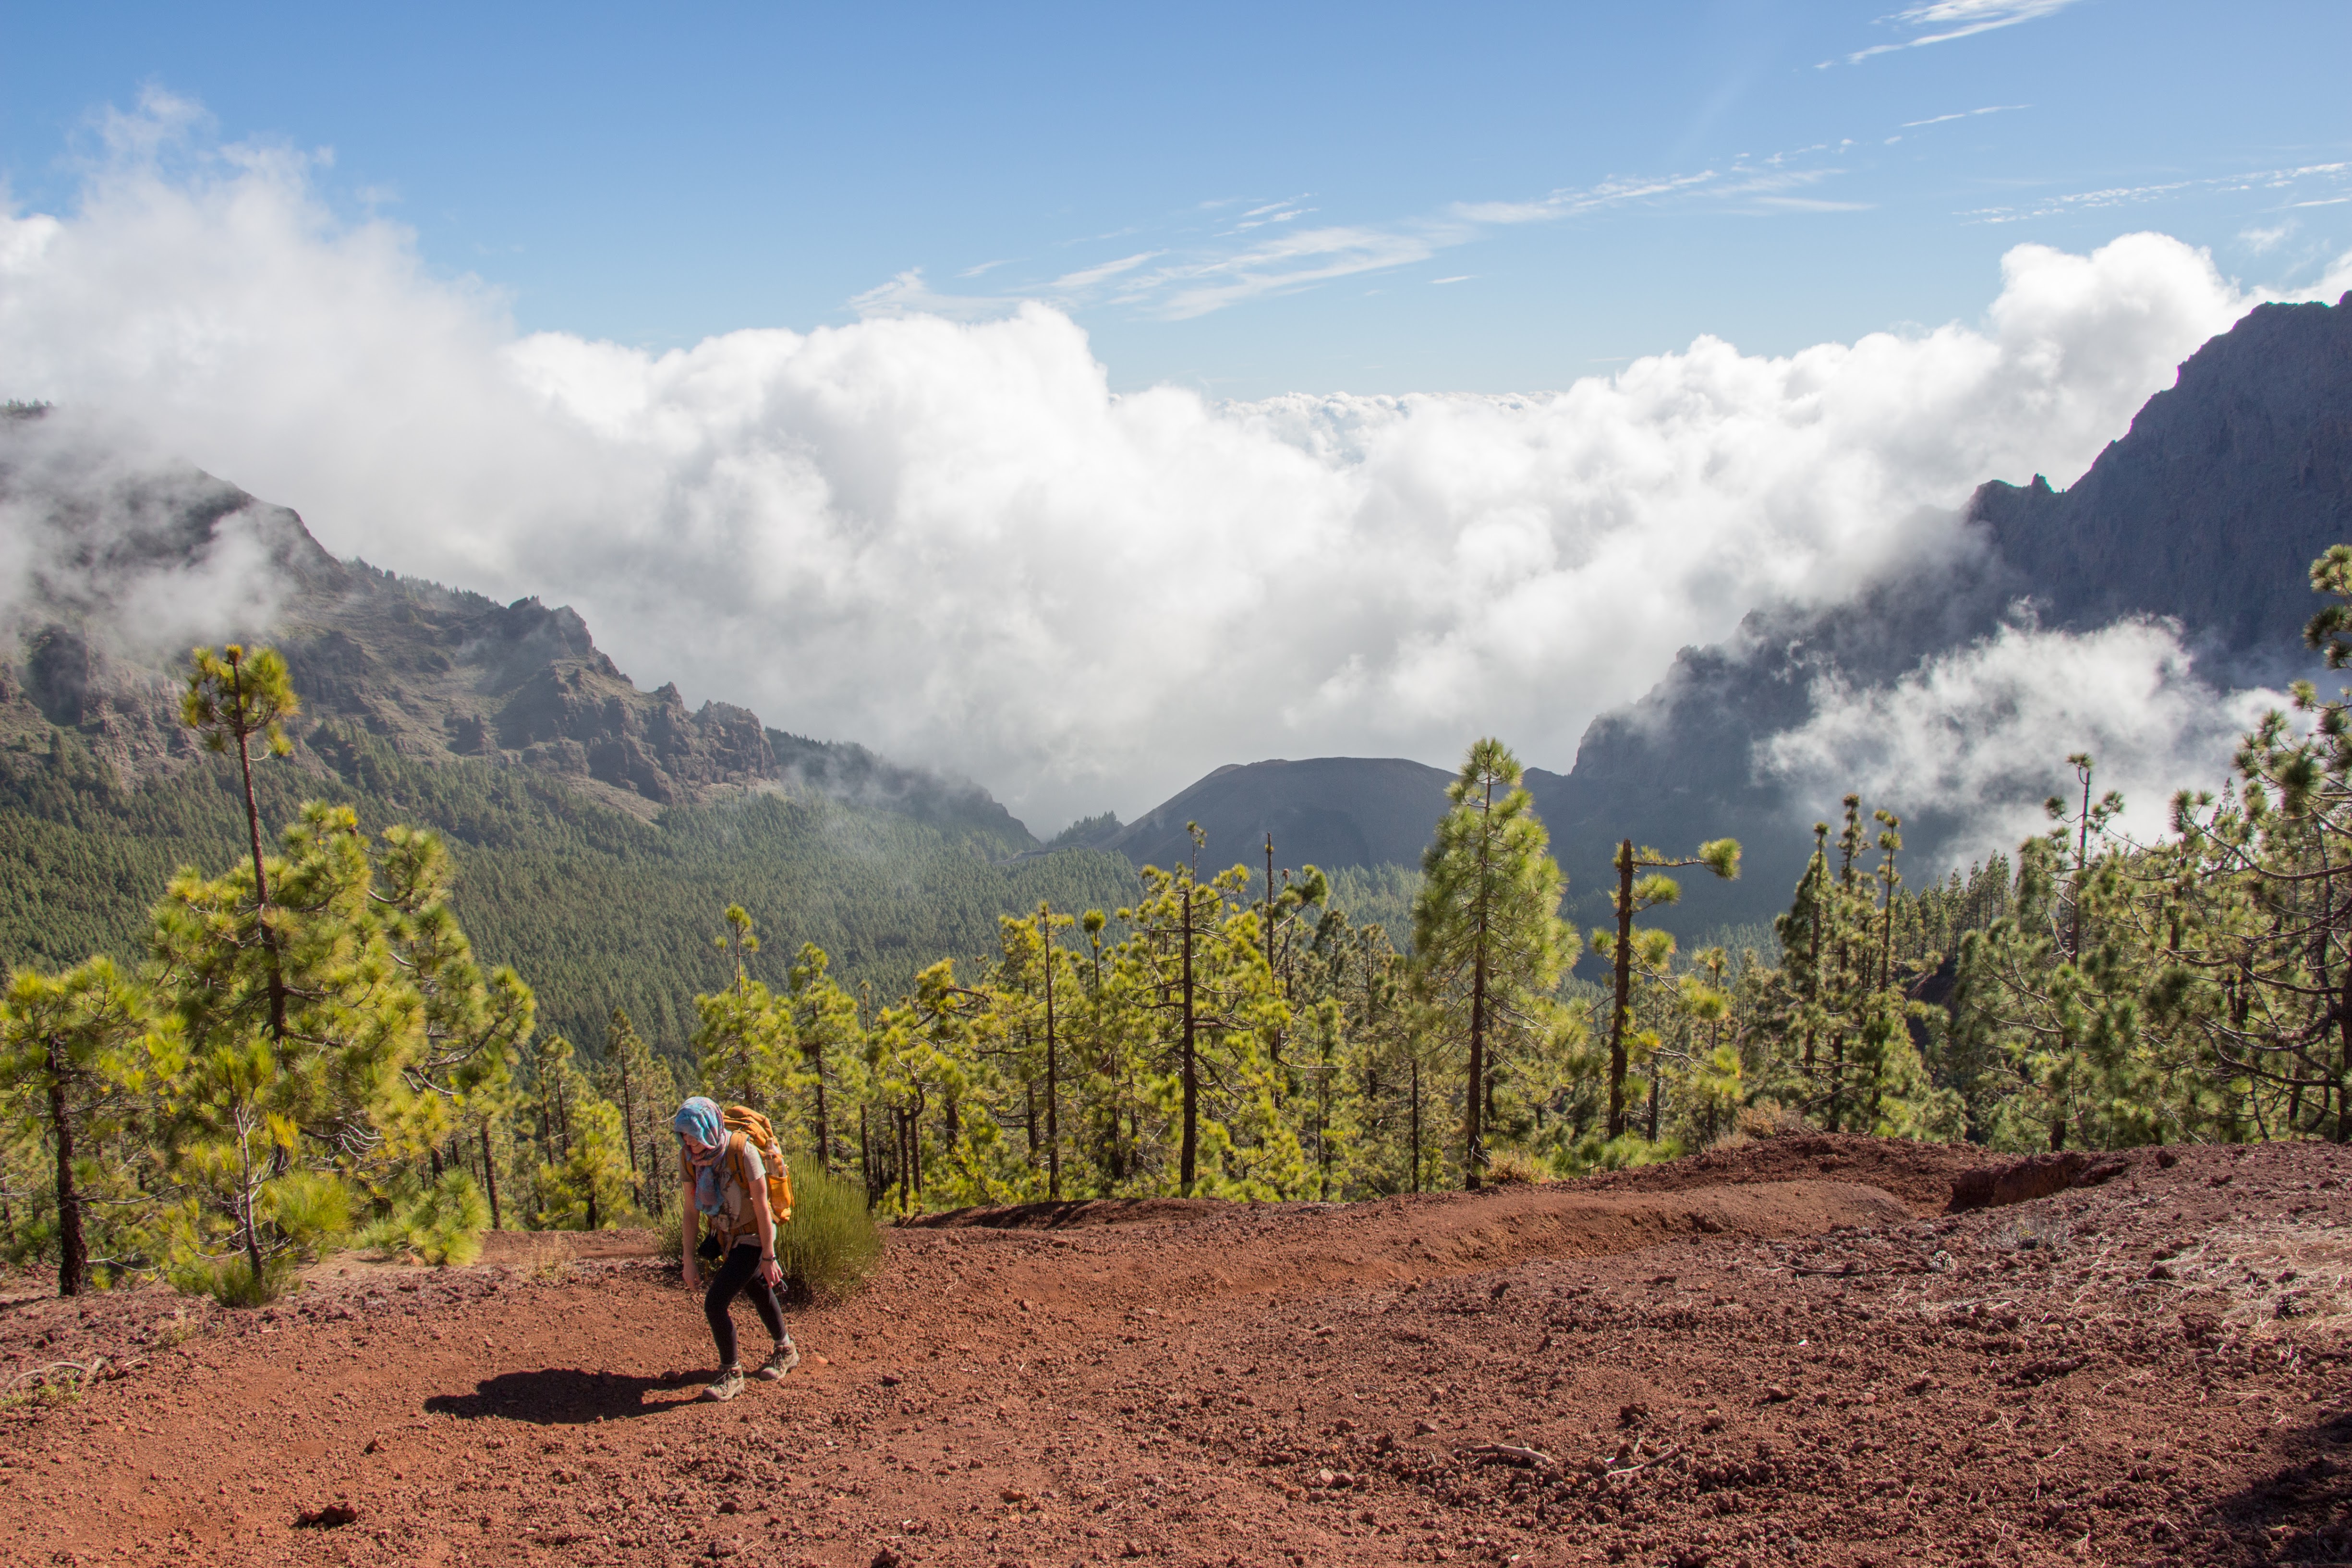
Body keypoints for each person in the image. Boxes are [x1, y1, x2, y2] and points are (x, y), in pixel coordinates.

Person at [674, 1096, 798, 1402]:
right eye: (683, 1135)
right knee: (757, 1289)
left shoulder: (743, 1152)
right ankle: (786, 1349)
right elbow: (691, 1213)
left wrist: (769, 1256)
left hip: (753, 1238)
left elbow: (763, 1209)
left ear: (708, 1128)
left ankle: (732, 1373)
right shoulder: (690, 1159)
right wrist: (687, 1259)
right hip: (726, 1237)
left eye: (692, 1133)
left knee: (715, 1303)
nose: (688, 1141)